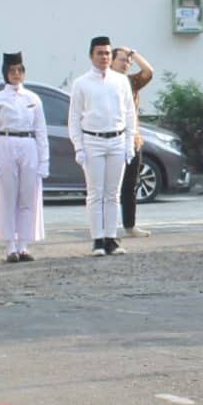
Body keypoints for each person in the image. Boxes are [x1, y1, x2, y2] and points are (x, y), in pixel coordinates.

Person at [68, 34, 139, 256]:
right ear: (91, 55)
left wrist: (129, 143)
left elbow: (129, 113)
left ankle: (111, 238)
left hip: (117, 140)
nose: (104, 57)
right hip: (93, 141)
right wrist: (78, 146)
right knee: (95, 193)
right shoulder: (81, 83)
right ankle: (97, 239)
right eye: (100, 53)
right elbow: (74, 117)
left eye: (107, 53)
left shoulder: (121, 81)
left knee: (113, 193)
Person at [0, 53, 49, 261]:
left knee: (27, 196)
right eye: (12, 71)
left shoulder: (33, 99)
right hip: (6, 142)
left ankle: (23, 244)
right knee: (8, 197)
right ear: (5, 73)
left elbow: (41, 131)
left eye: (19, 70)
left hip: (28, 144)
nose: (16, 74)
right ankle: (10, 245)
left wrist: (43, 160)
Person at [109, 45, 155, 235]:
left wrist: (133, 53)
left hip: (132, 139)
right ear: (111, 61)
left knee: (130, 185)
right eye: (122, 59)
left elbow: (148, 72)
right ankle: (105, 228)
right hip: (110, 139)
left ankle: (130, 225)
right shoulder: (104, 82)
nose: (126, 63)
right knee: (109, 188)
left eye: (128, 60)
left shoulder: (131, 82)